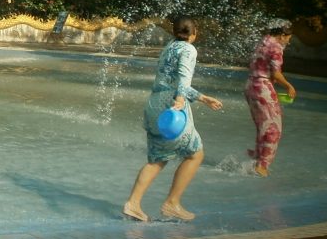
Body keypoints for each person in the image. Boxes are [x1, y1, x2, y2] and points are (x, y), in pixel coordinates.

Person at [123, 16, 223, 222]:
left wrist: (199, 97)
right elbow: (183, 81)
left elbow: (171, 78)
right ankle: (172, 203)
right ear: (194, 33)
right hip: (172, 108)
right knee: (195, 153)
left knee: (157, 159)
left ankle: (133, 204)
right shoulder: (189, 49)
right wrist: (184, 99)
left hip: (154, 104)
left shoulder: (170, 46)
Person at [244, 19, 297, 177]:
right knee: (274, 128)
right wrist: (288, 85)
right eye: (288, 37)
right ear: (282, 35)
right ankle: (262, 165)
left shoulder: (264, 41)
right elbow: (275, 73)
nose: (288, 40)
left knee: (263, 125)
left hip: (250, 86)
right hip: (262, 87)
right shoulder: (276, 47)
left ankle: (257, 157)